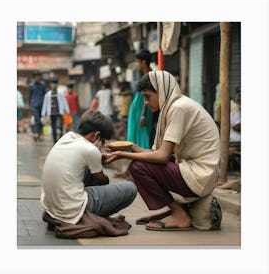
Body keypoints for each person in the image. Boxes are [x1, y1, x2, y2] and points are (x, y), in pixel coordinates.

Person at [103, 70, 220, 231]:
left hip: (200, 175)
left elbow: (162, 156)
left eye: (148, 96)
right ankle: (174, 211)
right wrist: (131, 147)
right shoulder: (176, 106)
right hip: (198, 172)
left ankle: (179, 215)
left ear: (162, 91)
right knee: (143, 162)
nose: (145, 102)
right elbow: (161, 154)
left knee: (137, 167)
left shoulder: (178, 108)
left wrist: (122, 154)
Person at [40, 110, 137, 226]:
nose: (102, 145)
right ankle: (92, 214)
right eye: (102, 141)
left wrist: (96, 160)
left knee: (88, 170)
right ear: (96, 135)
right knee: (130, 188)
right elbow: (102, 181)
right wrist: (97, 161)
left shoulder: (66, 137)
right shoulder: (91, 150)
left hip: (52, 207)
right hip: (71, 208)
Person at [114, 49, 153, 180]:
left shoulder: (150, 76)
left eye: (138, 61)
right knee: (135, 140)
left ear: (143, 62)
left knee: (141, 142)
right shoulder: (144, 75)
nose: (137, 64)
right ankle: (129, 171)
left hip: (142, 113)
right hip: (136, 112)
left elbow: (147, 98)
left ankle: (137, 172)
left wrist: (142, 115)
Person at [41, 79, 70, 144]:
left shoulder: (61, 93)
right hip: (51, 113)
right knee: (53, 128)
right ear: (50, 86)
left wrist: (67, 111)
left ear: (57, 86)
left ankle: (60, 139)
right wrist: (43, 114)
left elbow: (65, 102)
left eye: (55, 85)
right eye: (53, 85)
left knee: (60, 126)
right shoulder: (47, 95)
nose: (54, 86)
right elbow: (45, 104)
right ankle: (55, 141)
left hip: (60, 113)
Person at [28, 71, 47, 141]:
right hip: (34, 105)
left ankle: (39, 133)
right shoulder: (31, 86)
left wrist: (46, 105)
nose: (37, 78)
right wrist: (29, 105)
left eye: (39, 76)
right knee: (37, 119)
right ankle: (36, 133)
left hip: (42, 105)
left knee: (41, 120)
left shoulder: (43, 85)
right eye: (36, 77)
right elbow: (30, 96)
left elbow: (45, 94)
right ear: (34, 78)